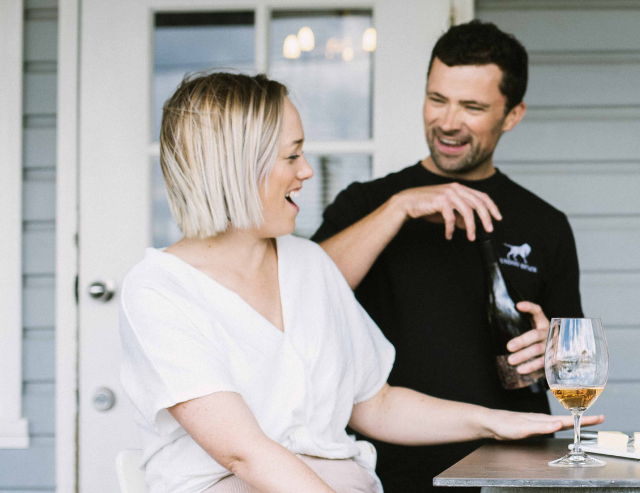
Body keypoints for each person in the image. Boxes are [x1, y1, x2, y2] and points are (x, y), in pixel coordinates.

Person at [120, 72, 599, 493]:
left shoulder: (307, 264)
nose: (307, 171)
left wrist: (493, 423)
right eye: (292, 156)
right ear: (236, 169)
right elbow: (243, 454)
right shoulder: (161, 289)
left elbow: (375, 404)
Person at [309, 21, 582, 491]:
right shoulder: (365, 203)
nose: (448, 121)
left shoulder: (546, 223)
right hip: (386, 468)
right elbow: (301, 295)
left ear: (512, 115)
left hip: (511, 471)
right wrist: (399, 208)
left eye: (472, 107)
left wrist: (552, 354)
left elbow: (575, 362)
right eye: (437, 100)